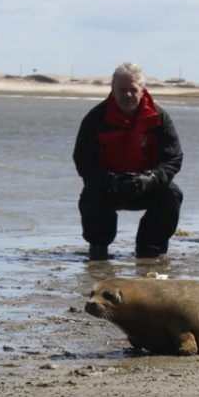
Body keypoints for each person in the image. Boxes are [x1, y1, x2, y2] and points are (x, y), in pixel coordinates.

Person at [73, 61, 184, 260]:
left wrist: (149, 179)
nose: (128, 95)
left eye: (133, 90)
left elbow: (173, 159)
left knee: (171, 194)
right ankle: (98, 247)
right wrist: (111, 181)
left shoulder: (159, 118)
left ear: (142, 90)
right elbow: (84, 161)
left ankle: (150, 248)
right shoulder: (96, 119)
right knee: (91, 195)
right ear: (113, 90)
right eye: (122, 90)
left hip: (147, 186)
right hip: (108, 187)